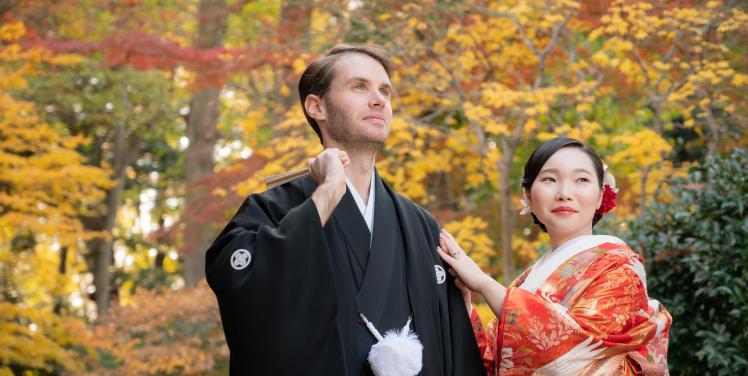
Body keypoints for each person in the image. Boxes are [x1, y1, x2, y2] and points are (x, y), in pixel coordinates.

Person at [205, 44, 485, 375]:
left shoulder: (420, 226)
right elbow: (239, 281)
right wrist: (326, 195)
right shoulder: (273, 209)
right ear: (316, 106)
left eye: (385, 91)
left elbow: (454, 348)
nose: (379, 99)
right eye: (359, 87)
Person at [437, 137, 671, 375]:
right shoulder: (527, 280)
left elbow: (574, 347)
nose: (564, 193)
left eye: (581, 179)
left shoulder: (621, 266)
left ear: (601, 195)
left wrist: (484, 283)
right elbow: (493, 364)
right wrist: (463, 302)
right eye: (549, 179)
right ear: (528, 196)